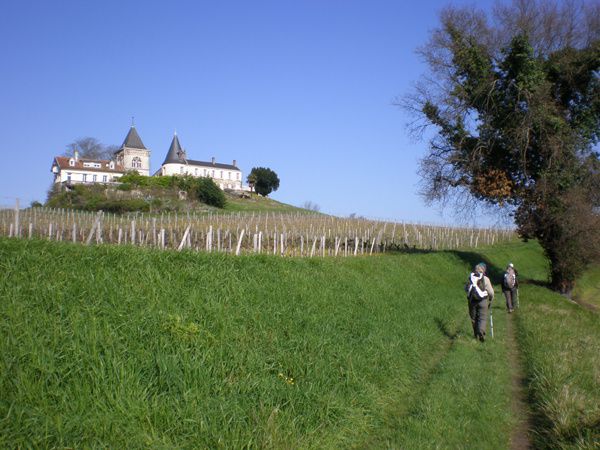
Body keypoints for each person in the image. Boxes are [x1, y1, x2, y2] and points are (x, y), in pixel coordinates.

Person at [466, 262, 495, 341]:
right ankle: (481, 332)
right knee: (482, 318)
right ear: (484, 270)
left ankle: (476, 335)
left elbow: (466, 288)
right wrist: (491, 299)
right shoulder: (485, 279)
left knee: (473, 318)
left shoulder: (471, 277)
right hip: (483, 301)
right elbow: (491, 292)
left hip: (472, 301)